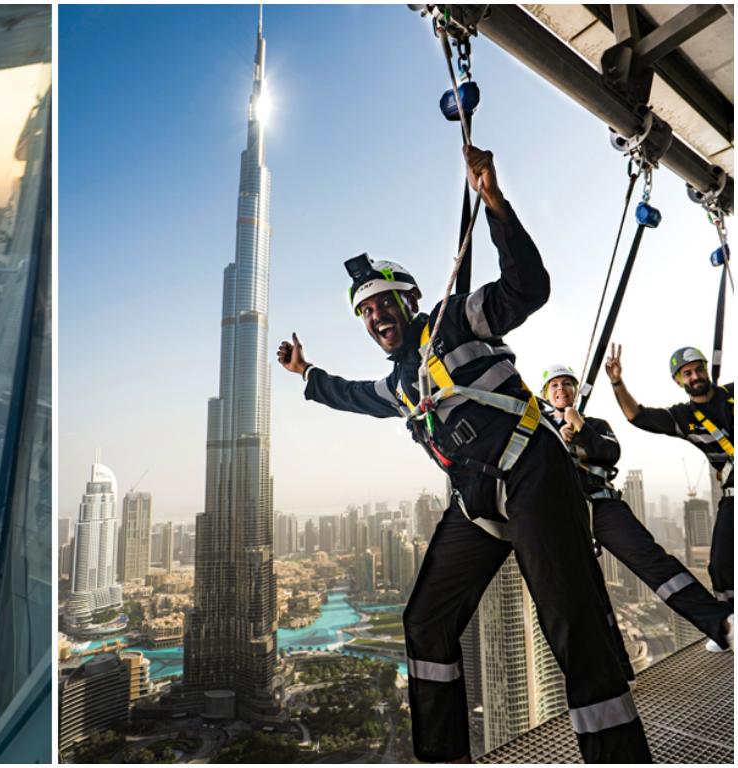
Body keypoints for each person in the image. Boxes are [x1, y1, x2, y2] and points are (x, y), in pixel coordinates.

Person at [276, 146, 650, 763]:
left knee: (572, 628)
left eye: (384, 303)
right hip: (477, 504)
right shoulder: (399, 385)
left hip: (532, 473)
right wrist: (306, 373)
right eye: (365, 312)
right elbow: (351, 395)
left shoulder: (456, 319)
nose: (376, 316)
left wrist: (494, 204)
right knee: (424, 620)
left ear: (409, 301)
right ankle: (444, 758)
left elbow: (527, 289)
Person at [541, 364, 732, 652]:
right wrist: (558, 437)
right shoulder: (539, 430)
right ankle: (610, 664)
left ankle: (723, 624)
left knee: (651, 560)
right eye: (554, 385)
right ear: (545, 394)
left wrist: (580, 427)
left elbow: (609, 454)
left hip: (601, 504)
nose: (561, 389)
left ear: (575, 390)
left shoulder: (596, 425)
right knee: (571, 589)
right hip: (559, 512)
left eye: (567, 383)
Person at [606, 344, 733, 624]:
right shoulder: (684, 417)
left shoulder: (733, 394)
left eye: (699, 369)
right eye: (687, 373)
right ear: (678, 381)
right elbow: (637, 416)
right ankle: (730, 622)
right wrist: (617, 382)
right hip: (734, 493)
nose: (695, 376)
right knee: (721, 567)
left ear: (707, 370)